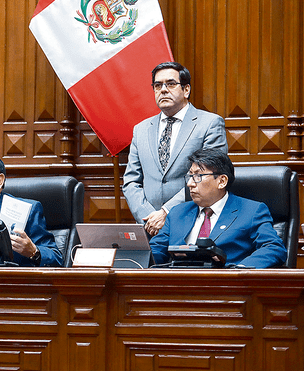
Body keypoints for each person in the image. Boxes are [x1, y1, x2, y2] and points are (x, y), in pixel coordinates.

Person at [123, 61, 228, 237]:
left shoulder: (209, 124)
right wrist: (148, 217)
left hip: (192, 221)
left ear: (186, 90)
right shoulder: (140, 129)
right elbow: (131, 181)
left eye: (170, 84)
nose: (163, 90)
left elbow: (208, 176)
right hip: (149, 226)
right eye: (157, 85)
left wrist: (166, 212)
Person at [150, 148, 287, 268]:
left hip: (226, 287)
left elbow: (273, 248)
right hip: (177, 286)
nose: (190, 184)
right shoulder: (177, 212)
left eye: (198, 176)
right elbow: (155, 251)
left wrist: (239, 269)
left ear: (221, 181)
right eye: (190, 176)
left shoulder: (252, 211)